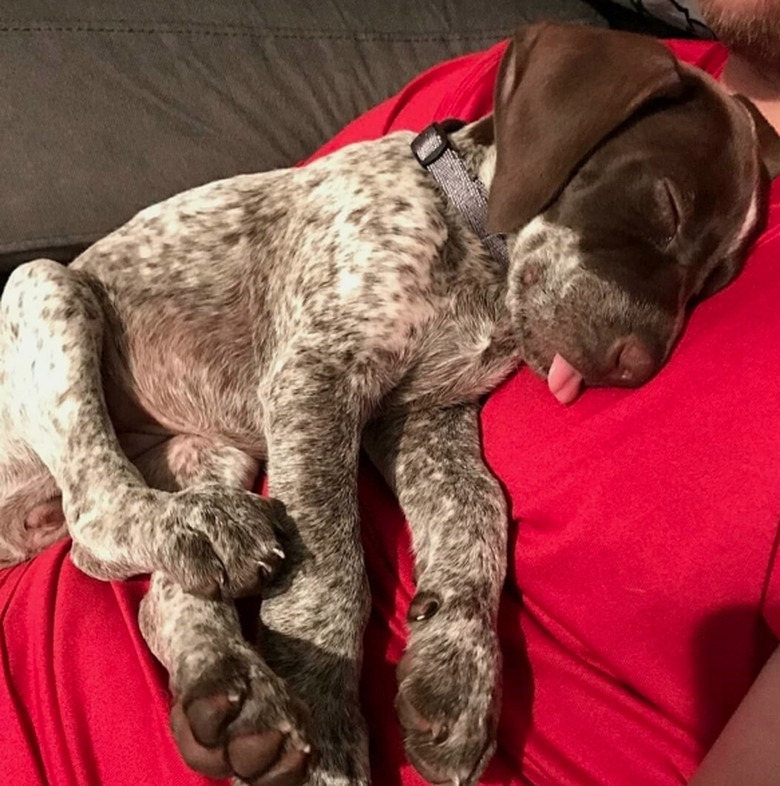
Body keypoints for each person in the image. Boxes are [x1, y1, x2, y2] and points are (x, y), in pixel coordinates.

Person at [1, 4, 779, 785]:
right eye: (663, 214)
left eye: (697, 288)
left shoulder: (508, 279)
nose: (653, 344)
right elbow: (311, 381)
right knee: (42, 292)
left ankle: (211, 661)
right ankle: (115, 521)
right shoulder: (426, 182)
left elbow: (414, 418)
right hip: (50, 415)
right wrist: (322, 637)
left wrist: (465, 603)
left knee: (226, 500)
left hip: (180, 461)